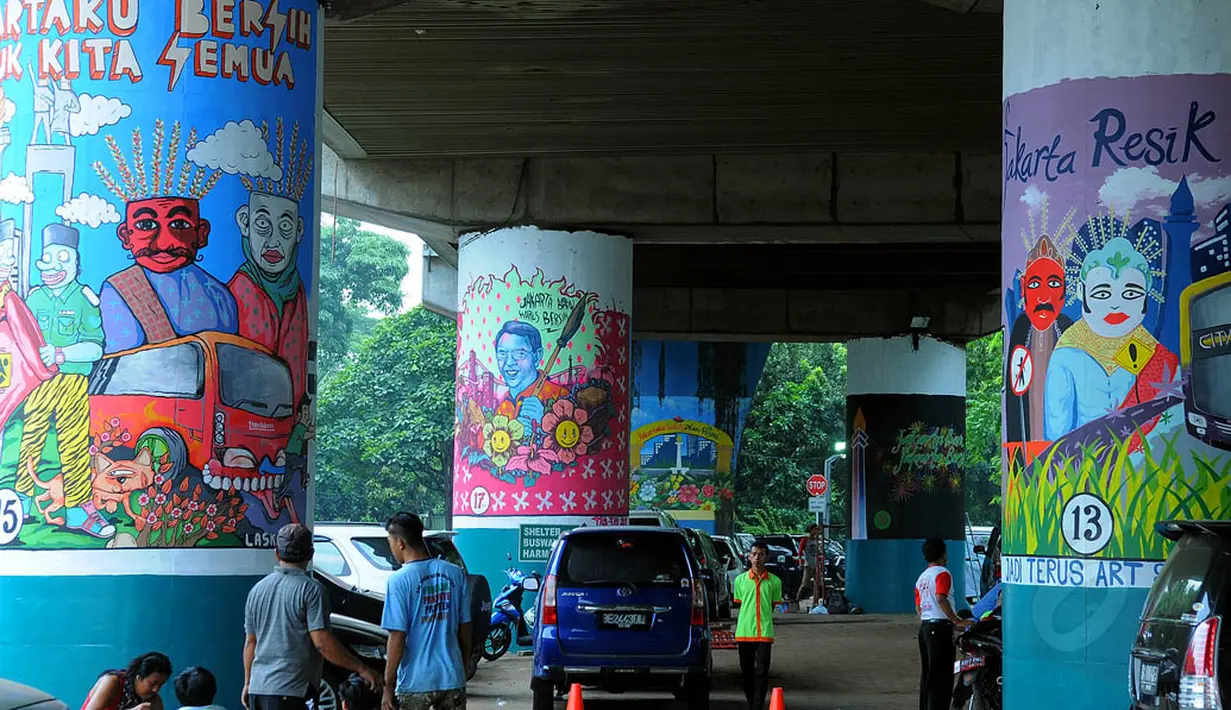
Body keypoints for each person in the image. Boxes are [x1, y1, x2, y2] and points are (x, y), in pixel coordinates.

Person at [243, 523, 381, 710]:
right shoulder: (312, 589)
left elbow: (251, 642)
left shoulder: (256, 590)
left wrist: (248, 683)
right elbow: (322, 642)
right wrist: (362, 668)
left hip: (259, 691)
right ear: (311, 554)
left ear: (277, 553)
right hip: (292, 691)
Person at [380, 512, 473, 710]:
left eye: (390, 543)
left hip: (415, 682)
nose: (391, 549)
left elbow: (397, 636)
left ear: (401, 543)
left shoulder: (398, 581)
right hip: (452, 677)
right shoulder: (455, 574)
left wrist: (388, 686)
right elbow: (465, 626)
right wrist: (464, 665)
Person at [915, 539, 971, 710]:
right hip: (939, 630)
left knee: (929, 676)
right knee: (942, 678)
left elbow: (918, 606)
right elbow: (941, 597)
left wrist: (928, 619)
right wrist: (956, 621)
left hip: (925, 628)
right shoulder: (943, 573)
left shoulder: (922, 577)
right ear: (943, 554)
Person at [733, 540, 783, 710]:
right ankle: (751, 702)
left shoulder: (775, 582)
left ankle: (757, 706)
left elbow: (773, 604)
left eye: (761, 554)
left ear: (766, 557)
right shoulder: (740, 580)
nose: (757, 558)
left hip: (764, 632)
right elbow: (739, 601)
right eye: (754, 554)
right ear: (748, 557)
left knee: (762, 673)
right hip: (744, 631)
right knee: (746, 672)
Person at [81, 652, 172, 710]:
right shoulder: (112, 682)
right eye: (153, 683)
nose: (156, 689)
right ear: (138, 676)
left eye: (161, 685)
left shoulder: (154, 701)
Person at [796, 524, 821, 604]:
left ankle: (815, 601)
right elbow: (799, 552)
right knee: (805, 584)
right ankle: (797, 600)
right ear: (811, 530)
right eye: (815, 529)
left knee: (817, 583)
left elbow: (818, 552)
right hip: (808, 564)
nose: (816, 531)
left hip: (816, 564)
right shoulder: (805, 540)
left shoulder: (816, 539)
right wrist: (800, 562)